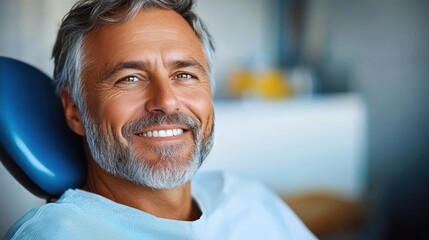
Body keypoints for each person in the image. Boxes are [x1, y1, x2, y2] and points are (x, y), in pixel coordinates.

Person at [4, 0, 316, 239]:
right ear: (74, 111)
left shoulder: (245, 197)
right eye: (130, 78)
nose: (166, 100)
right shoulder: (59, 235)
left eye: (184, 74)